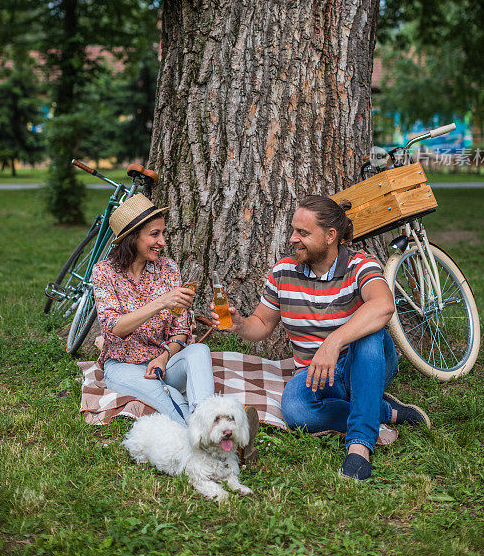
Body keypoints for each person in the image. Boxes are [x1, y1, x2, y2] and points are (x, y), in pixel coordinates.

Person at [211, 195, 430, 481]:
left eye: (302, 233)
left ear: (330, 236)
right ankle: (383, 411)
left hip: (363, 361)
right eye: (293, 231)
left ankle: (359, 448)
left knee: (369, 334)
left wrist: (333, 342)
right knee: (297, 411)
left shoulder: (360, 265)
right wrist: (240, 324)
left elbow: (384, 305)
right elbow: (262, 324)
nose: (293, 239)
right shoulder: (283, 272)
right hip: (316, 373)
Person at [92, 194, 215, 424]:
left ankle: (206, 417)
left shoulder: (168, 268)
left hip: (164, 361)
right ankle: (207, 431)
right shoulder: (104, 272)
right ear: (132, 237)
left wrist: (164, 356)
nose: (163, 242)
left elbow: (181, 328)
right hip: (123, 366)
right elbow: (114, 328)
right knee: (172, 397)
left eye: (162, 233)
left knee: (199, 351)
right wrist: (162, 302)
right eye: (154, 234)